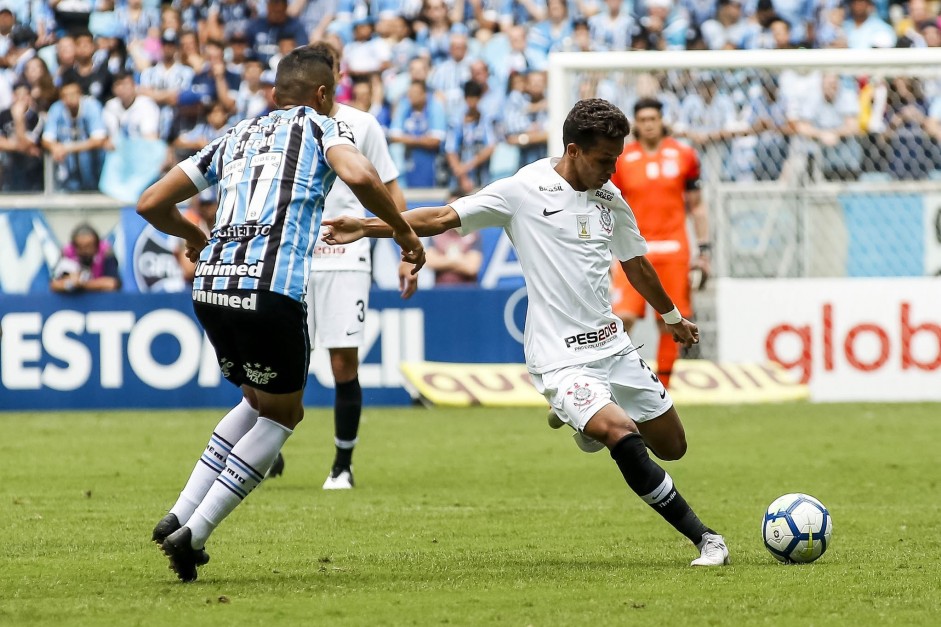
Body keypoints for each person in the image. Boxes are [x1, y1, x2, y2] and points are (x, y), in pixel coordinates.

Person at [322, 98, 730, 567]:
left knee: (673, 446)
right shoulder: (523, 190)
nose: (612, 171)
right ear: (574, 150)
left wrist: (673, 318)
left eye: (617, 160)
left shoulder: (610, 199)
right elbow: (440, 217)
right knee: (621, 433)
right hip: (559, 357)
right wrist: (367, 226)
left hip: (613, 346)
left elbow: (636, 266)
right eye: (604, 161)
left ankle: (586, 422)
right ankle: (706, 538)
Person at [136, 45, 424, 582]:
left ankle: (178, 512)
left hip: (211, 287)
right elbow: (360, 175)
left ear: (273, 94)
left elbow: (151, 202)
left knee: (257, 398)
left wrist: (195, 234)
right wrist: (404, 232)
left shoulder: (236, 136)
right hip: (270, 291)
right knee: (284, 413)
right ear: (322, 94)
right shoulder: (323, 127)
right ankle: (192, 535)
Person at [272, 41, 418, 491]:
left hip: (346, 257)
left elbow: (389, 187)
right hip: (292, 256)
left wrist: (402, 249)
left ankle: (342, 465)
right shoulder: (278, 127)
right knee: (279, 363)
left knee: (342, 365)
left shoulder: (361, 124)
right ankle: (266, 449)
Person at [609, 98, 710, 389]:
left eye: (653, 118)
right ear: (635, 124)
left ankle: (663, 389)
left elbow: (697, 206)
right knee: (622, 317)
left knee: (670, 322)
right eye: (643, 120)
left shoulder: (684, 155)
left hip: (674, 250)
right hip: (633, 251)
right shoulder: (621, 160)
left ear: (661, 121)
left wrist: (704, 249)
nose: (649, 124)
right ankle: (618, 382)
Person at [50, 223, 121, 293]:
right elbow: (54, 284)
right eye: (80, 247)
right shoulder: (67, 253)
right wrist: (69, 283)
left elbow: (112, 284)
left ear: (97, 244)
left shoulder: (107, 252)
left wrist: (80, 284)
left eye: (89, 246)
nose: (85, 251)